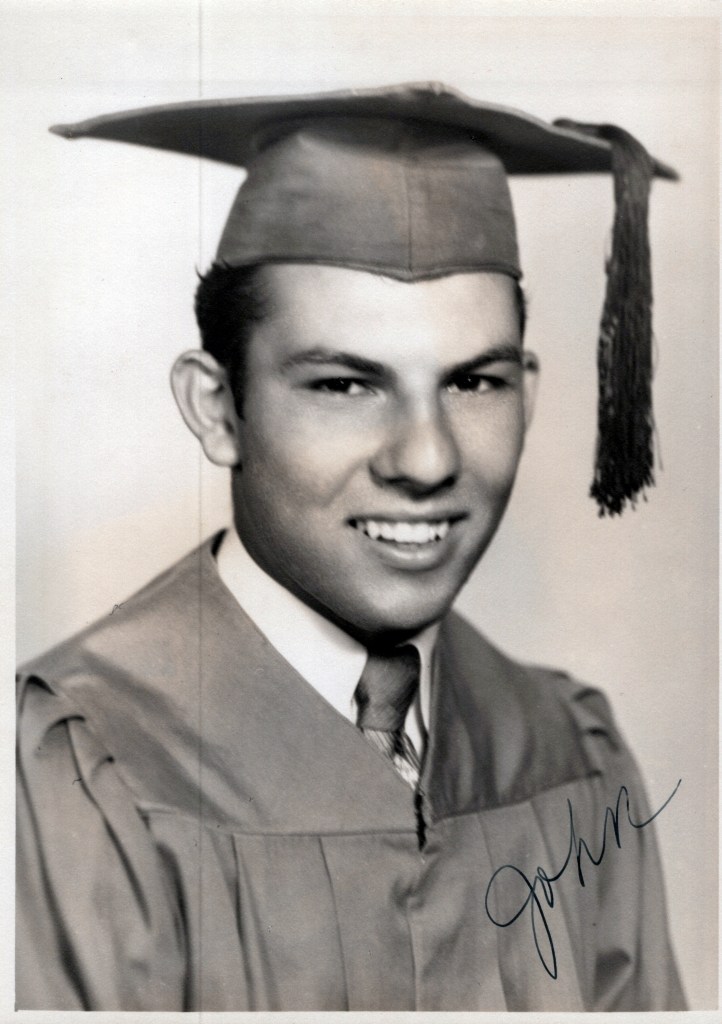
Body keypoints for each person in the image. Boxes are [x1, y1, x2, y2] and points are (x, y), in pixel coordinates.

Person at [16, 83, 685, 1011]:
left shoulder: (571, 750)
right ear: (218, 409)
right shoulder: (77, 763)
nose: (427, 459)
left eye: (474, 383)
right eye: (344, 385)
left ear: (528, 395)